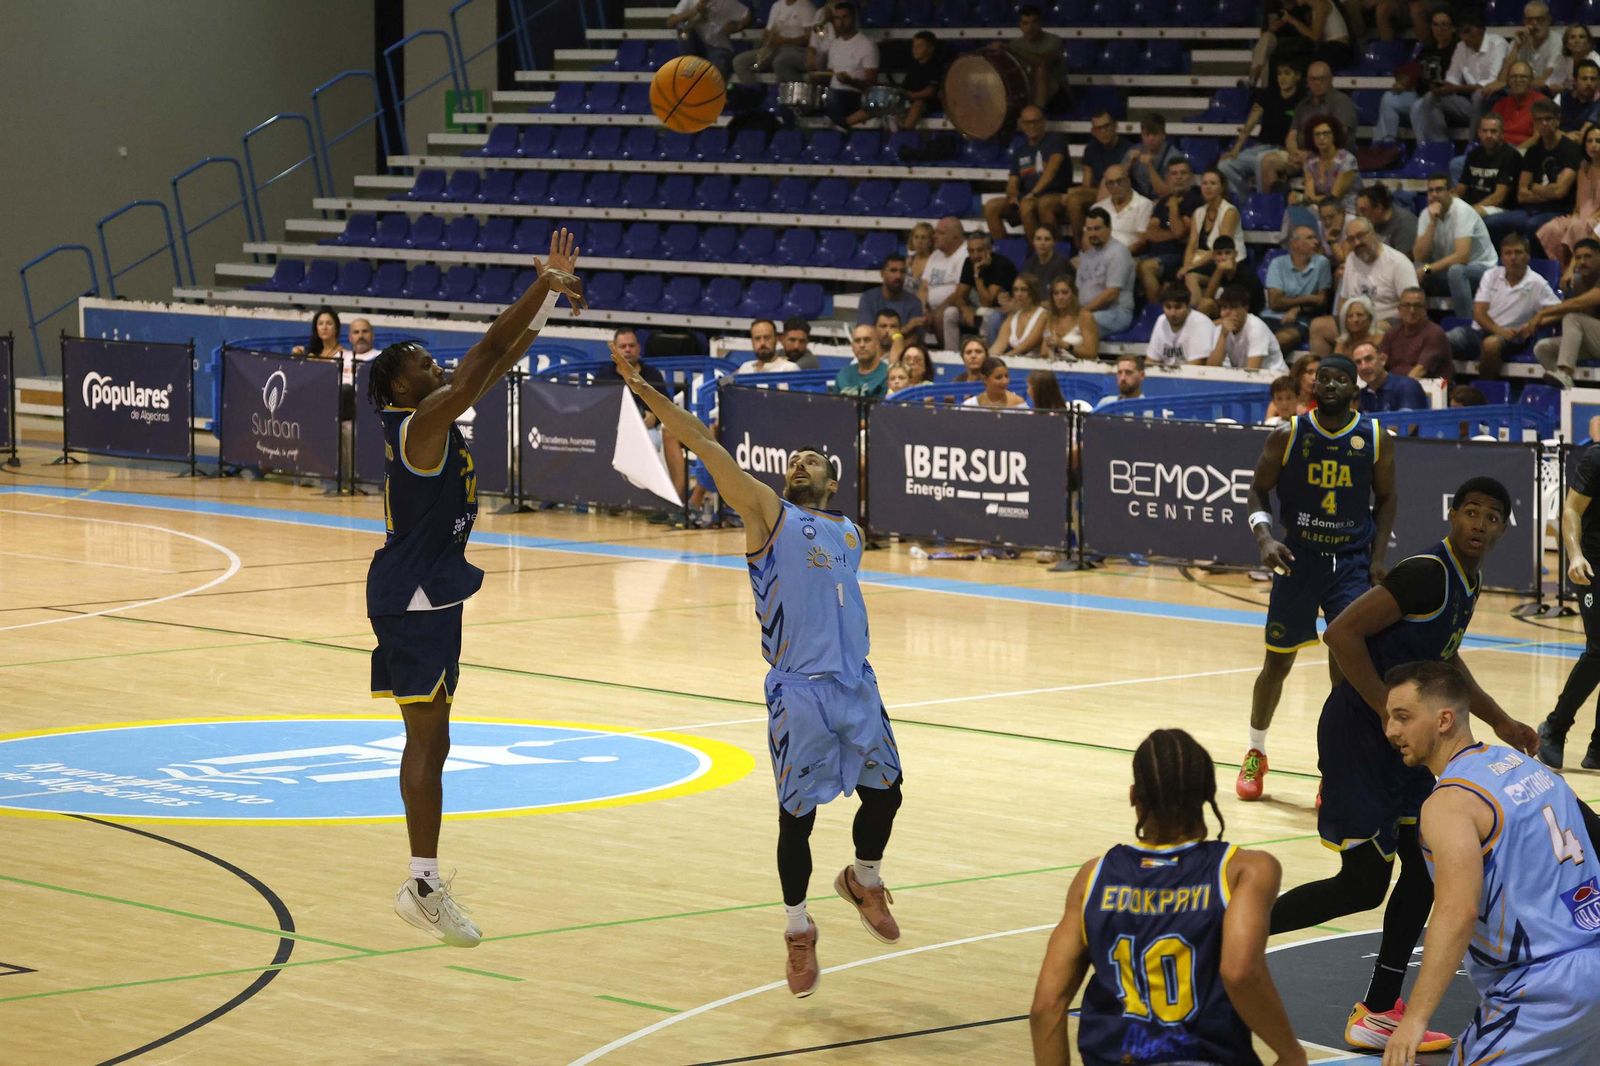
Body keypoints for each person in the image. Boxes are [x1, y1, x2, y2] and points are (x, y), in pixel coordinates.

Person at [608, 347, 904, 1002]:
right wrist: (648, 393)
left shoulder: (850, 533)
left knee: (887, 794)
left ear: (832, 480)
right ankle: (798, 928)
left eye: (811, 460)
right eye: (793, 459)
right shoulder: (768, 513)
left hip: (857, 684)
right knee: (795, 820)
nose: (799, 462)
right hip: (798, 690)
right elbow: (705, 442)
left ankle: (863, 876)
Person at [1268, 477, 1541, 1055]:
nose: (1479, 524)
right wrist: (1386, 713)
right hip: (1360, 739)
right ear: (1453, 515)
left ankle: (1378, 1009)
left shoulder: (1468, 581)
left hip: (1404, 743)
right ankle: (1228, 937)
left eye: (1492, 518)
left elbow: (1444, 662)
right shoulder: (1424, 572)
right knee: (1362, 886)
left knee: (1422, 870)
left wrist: (1500, 721)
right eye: (1471, 512)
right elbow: (1340, 634)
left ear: (1500, 529)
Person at [367, 229, 585, 949]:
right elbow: (485, 356)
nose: (439, 366)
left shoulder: (432, 413)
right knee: (426, 740)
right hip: (414, 594)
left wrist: (547, 308)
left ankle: (422, 879)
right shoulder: (419, 421)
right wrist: (545, 284)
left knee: (437, 737)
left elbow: (499, 360)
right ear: (402, 384)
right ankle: (422, 885)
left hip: (432, 590)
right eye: (425, 362)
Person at [1030, 729, 1307, 1066]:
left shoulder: (1093, 876)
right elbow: (1240, 972)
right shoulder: (1244, 871)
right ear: (1208, 793)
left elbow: (1046, 1007)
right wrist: (1291, 1054)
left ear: (1134, 796)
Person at [1378, 659, 1600, 1066]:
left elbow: (1457, 910)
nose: (1391, 730)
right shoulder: (1527, 767)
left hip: (1541, 991)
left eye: (1403, 717)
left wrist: (1415, 1019)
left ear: (1444, 720)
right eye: (1389, 718)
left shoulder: (1448, 804)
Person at [1237, 353, 1395, 802]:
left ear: (1354, 389)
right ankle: (1255, 751)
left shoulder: (1375, 437)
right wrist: (1264, 538)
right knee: (1277, 664)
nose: (1328, 385)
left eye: (1338, 380)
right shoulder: (1289, 433)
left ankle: (1334, 767)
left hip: (1349, 564)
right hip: (1297, 558)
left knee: (1344, 671)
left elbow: (1386, 500)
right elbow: (1256, 489)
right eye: (1321, 378)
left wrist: (1378, 557)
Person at [1540, 434, 1600, 762]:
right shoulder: (1596, 459)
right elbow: (1571, 511)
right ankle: (1554, 727)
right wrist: (1574, 554)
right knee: (1599, 649)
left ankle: (1598, 749)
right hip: (1591, 563)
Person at [1446, 232, 1560, 378]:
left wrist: (1535, 322)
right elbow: (1479, 313)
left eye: (1518, 252)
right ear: (1502, 258)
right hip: (1479, 332)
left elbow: (1559, 311)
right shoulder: (1491, 275)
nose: (1513, 257)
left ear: (1528, 256)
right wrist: (1498, 330)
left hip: (1513, 337)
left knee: (1491, 345)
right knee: (1443, 340)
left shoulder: (1537, 283)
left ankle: (1484, 388)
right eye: (1508, 253)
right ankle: (1445, 386)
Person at [1310, 218, 1419, 357]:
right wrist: (1345, 324)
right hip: (1355, 319)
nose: (1356, 243)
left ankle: (1359, 374)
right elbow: (1344, 301)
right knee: (1318, 326)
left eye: (1360, 236)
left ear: (1373, 233)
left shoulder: (1398, 263)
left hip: (1387, 322)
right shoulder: (1351, 260)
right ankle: (1324, 375)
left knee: (1367, 330)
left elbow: (1411, 306)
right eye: (1351, 239)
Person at [1412, 11, 1509, 144]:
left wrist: (1455, 88)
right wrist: (1443, 88)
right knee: (1431, 97)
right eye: (1462, 32)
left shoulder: (1498, 43)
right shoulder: (1461, 46)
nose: (1465, 36)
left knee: (1479, 95)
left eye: (1468, 31)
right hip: (1469, 103)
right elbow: (1452, 77)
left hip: (1494, 101)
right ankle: (1440, 146)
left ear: (1481, 29)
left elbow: (1492, 82)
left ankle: (1473, 145)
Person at [1415, 172, 1498, 321]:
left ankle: (1465, 324)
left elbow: (1462, 256)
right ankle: (1419, 323)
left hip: (1483, 269)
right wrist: (1432, 223)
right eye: (1430, 191)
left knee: (1456, 271)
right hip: (1446, 269)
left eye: (1439, 190)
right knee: (1413, 269)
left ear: (1451, 192)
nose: (1434, 195)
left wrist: (1428, 269)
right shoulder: (1426, 215)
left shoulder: (1462, 211)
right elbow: (1419, 255)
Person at [984, 106, 1071, 242]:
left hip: (1054, 195)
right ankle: (1004, 252)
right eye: (1027, 122)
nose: (1032, 126)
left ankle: (1038, 253)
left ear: (1043, 122)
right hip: (1028, 197)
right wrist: (1012, 195)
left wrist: (1033, 193)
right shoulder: (1020, 151)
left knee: (1027, 205)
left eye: (1036, 121)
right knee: (991, 206)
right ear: (1021, 124)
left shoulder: (1055, 140)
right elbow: (1013, 181)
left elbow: (1051, 170)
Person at [1222, 60, 1306, 197]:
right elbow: (1250, 122)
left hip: (1284, 151)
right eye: (1279, 74)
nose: (1282, 78)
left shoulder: (1303, 100)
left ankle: (1263, 206)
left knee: (1263, 160)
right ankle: (1245, 203)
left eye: (1287, 73)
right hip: (1262, 147)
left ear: (1297, 76)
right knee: (1225, 165)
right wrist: (1235, 149)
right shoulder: (1268, 94)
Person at [1374, 6, 1457, 142]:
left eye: (1444, 24)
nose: (1439, 29)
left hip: (1442, 98)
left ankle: (1425, 151)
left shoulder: (1457, 49)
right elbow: (1413, 70)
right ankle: (1385, 144)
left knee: (1419, 107)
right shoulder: (1427, 50)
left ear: (1452, 28)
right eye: (1435, 24)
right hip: (1420, 94)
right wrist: (1403, 82)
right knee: (1389, 98)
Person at [1532, 237, 1600, 387]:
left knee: (1573, 318)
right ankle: (1569, 392)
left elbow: (1577, 304)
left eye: (1588, 256)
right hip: (1595, 341)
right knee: (1543, 348)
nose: (1582, 261)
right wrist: (1535, 323)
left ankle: (1564, 374)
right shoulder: (1580, 281)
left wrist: (1542, 314)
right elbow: (1571, 309)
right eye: (1578, 257)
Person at [1136, 157, 1202, 303]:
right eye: (1174, 173)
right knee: (1127, 264)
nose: (1178, 177)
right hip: (1154, 253)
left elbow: (1180, 231)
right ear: (1168, 178)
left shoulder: (1195, 200)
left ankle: (1156, 311)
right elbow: (1150, 233)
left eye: (1183, 173)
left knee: (1147, 267)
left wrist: (1173, 208)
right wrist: (1174, 234)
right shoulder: (1163, 201)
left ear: (1191, 177)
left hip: (1178, 256)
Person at [1457, 113, 1527, 246]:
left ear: (1502, 133)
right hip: (1476, 206)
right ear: (1479, 133)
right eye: (1485, 131)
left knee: (1468, 218)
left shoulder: (1510, 156)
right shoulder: (1474, 155)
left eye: (1493, 131)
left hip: (1501, 207)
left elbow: (1498, 197)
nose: (1488, 135)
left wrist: (1471, 211)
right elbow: (1460, 188)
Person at [807, 1, 877, 129]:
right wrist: (818, 77)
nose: (841, 22)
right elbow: (830, 73)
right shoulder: (835, 44)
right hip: (835, 94)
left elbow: (871, 84)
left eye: (845, 17)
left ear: (853, 18)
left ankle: (835, 124)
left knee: (833, 96)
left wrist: (850, 81)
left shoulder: (866, 44)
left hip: (854, 95)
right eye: (837, 18)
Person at [1170, 166, 1234, 305]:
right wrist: (1186, 265)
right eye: (1204, 183)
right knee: (1178, 278)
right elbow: (1192, 244)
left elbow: (1221, 248)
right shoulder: (1198, 212)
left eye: (1213, 183)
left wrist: (1191, 268)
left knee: (1191, 277)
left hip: (1222, 261)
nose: (1208, 187)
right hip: (1201, 261)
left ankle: (1196, 318)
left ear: (1221, 188)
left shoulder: (1229, 212)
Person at [1538, 125, 1600, 267]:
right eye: (1589, 141)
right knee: (1552, 228)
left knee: (1578, 227)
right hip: (1581, 215)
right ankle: (1558, 269)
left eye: (1598, 141)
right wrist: (1576, 215)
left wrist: (1588, 219)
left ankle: (1576, 270)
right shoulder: (1583, 167)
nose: (1593, 145)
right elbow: (1579, 202)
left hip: (1597, 219)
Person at [1265, 224, 1334, 351]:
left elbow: (1321, 301)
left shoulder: (1322, 263)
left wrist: (1298, 308)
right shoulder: (1278, 263)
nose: (1316, 241)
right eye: (1310, 238)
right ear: (1295, 244)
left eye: (1315, 237)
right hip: (1270, 317)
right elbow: (1275, 302)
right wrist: (1308, 298)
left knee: (1283, 339)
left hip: (1300, 321)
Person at [1520, 98, 1585, 233]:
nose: (1544, 123)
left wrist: (1533, 187)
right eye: (1539, 120)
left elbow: (1560, 192)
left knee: (1532, 224)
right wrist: (1548, 193)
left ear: (1557, 120)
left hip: (1560, 210)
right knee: (1494, 221)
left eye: (1548, 118)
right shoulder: (1533, 151)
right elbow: (1521, 194)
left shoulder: (1571, 149)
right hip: (1533, 209)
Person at [1065, 111, 1129, 239]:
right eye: (1098, 128)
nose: (1103, 132)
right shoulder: (1091, 148)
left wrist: (1075, 192)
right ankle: (1080, 247)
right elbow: (1086, 184)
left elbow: (1121, 186)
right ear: (1093, 131)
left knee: (1073, 199)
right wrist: (1078, 191)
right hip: (1094, 194)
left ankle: (1082, 247)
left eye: (1106, 126)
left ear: (1115, 126)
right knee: (1049, 202)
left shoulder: (1127, 149)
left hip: (1117, 194)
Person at [1077, 208, 1137, 336]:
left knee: (1075, 328)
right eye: (1089, 229)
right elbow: (1078, 288)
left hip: (1115, 313)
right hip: (1089, 313)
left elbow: (1111, 294)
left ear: (1109, 228)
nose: (1092, 233)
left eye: (1097, 229)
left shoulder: (1118, 252)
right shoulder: (1088, 254)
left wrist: (1082, 312)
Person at [917, 215, 972, 351]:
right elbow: (924, 287)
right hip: (932, 309)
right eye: (936, 232)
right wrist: (923, 308)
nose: (935, 236)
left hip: (959, 306)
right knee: (913, 312)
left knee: (945, 314)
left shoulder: (965, 254)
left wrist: (936, 311)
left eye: (940, 233)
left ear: (955, 237)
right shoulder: (936, 255)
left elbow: (959, 292)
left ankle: (950, 356)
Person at [1486, 0, 1561, 97]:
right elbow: (1502, 78)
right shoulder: (1521, 39)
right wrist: (1516, 47)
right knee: (1486, 94)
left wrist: (1508, 84)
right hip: (1520, 89)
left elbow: (1544, 81)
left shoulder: (1557, 42)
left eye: (1539, 19)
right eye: (1530, 20)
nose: (1534, 23)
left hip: (1546, 93)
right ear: (1524, 21)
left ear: (1548, 20)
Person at [731, 0, 815, 86]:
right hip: (774, 48)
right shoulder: (777, 6)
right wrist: (768, 39)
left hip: (796, 49)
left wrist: (784, 40)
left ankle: (798, 93)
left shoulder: (806, 6)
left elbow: (811, 38)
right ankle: (754, 91)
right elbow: (768, 31)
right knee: (739, 62)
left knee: (780, 62)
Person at [666, 0, 751, 81]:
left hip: (718, 47)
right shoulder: (690, 1)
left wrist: (737, 27)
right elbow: (670, 22)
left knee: (716, 73)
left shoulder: (726, 2)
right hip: (695, 46)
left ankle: (710, 93)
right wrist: (694, 11)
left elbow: (747, 15)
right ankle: (689, 63)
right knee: (682, 26)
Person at [1380, 287, 1453, 380]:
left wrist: (1397, 390)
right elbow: (1379, 365)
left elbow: (1420, 371)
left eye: (1417, 306)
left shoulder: (1434, 333)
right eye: (1407, 305)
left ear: (1425, 309)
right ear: (1399, 309)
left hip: (1427, 389)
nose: (1412, 311)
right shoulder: (1391, 334)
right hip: (1397, 386)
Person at [1209, 285, 1287, 371]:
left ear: (1245, 308)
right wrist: (1223, 336)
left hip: (1274, 377)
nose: (1227, 313)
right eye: (1224, 308)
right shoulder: (1223, 329)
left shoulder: (1256, 327)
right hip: (1245, 376)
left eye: (1233, 307)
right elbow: (1212, 368)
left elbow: (1252, 370)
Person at [1005, 4, 1068, 111]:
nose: (1030, 28)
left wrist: (1013, 51)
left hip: (1056, 95)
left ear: (1040, 23)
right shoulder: (1015, 44)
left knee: (1040, 69)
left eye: (1034, 22)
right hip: (1027, 94)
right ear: (1020, 25)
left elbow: (1042, 61)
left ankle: (1037, 112)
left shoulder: (1054, 40)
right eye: (1025, 23)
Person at [1191, 236, 1263, 319]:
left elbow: (1241, 307)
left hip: (1247, 314)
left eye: (1227, 253)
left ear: (1235, 254)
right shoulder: (1216, 269)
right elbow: (1207, 298)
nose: (1223, 258)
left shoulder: (1246, 276)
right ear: (1214, 257)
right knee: (1206, 304)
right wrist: (1219, 271)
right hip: (1227, 310)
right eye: (1219, 254)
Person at [965, 232, 1019, 344]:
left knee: (983, 312)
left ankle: (986, 351)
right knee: (950, 313)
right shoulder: (968, 261)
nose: (975, 255)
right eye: (971, 251)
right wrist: (964, 309)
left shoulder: (1001, 265)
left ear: (989, 250)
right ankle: (950, 354)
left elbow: (987, 301)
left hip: (1005, 309)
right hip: (980, 306)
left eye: (979, 250)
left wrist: (977, 275)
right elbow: (959, 295)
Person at [1147, 283, 1218, 367]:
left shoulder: (1200, 323)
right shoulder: (1161, 321)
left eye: (1178, 307)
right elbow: (1151, 362)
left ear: (1188, 306)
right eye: (1168, 307)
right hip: (1172, 375)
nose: (1172, 313)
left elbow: (1196, 365)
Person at [1298, 116, 1360, 213]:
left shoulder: (1347, 160)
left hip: (1347, 209)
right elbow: (1309, 196)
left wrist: (1312, 199)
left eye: (1326, 133)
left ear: (1334, 135)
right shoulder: (1310, 160)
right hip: (1320, 209)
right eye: (1317, 134)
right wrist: (1310, 199)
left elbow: (1334, 198)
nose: (1321, 138)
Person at [1090, 165, 1152, 255]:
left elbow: (1141, 242)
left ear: (1128, 181)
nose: (1115, 186)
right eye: (1111, 183)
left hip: (1127, 257)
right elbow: (1087, 238)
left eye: (1119, 181)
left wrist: (1117, 256)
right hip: (1098, 255)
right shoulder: (1097, 208)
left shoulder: (1144, 205)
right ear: (1106, 186)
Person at [856, 254, 925, 332]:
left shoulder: (914, 302)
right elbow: (867, 332)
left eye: (902, 271)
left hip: (906, 344)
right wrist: (906, 329)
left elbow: (914, 339)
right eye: (893, 270)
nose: (898, 276)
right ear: (882, 273)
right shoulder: (868, 299)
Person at [1353, 341, 1428, 412]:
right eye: (1358, 362)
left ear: (1382, 360)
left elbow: (1408, 423)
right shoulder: (1361, 396)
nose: (1364, 367)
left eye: (1369, 359)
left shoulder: (1407, 386)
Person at [1122, 114, 1182, 201]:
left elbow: (1166, 194)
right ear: (1141, 135)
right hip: (1136, 201)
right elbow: (1115, 178)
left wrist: (1149, 167)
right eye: (1147, 134)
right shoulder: (1134, 150)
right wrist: (1128, 164)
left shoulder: (1174, 157)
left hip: (1164, 202)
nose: (1151, 139)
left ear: (1163, 135)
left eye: (1155, 134)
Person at [894, 30, 945, 130]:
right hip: (912, 101)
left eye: (920, 46)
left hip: (932, 103)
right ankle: (893, 131)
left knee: (919, 103)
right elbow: (905, 87)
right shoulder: (913, 66)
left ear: (930, 48)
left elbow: (930, 92)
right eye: (914, 46)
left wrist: (912, 95)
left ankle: (905, 131)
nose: (915, 49)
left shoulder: (936, 66)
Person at [1357, 183, 1418, 265]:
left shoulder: (1406, 224)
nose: (1360, 215)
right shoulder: (1373, 221)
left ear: (1379, 208)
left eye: (1363, 210)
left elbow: (1402, 263)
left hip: (1425, 269)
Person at [1042, 275, 1098, 362]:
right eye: (1056, 293)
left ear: (1074, 294)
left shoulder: (1085, 317)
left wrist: (1064, 345)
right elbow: (1044, 353)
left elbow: (1091, 353)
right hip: (1057, 367)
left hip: (1084, 368)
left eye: (1064, 292)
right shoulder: (1050, 318)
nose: (1060, 297)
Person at [991, 273, 1047, 358]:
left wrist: (1002, 361)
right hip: (1015, 362)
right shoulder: (1012, 317)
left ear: (1033, 292)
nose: (1019, 294)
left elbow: (1024, 348)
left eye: (1023, 290)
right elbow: (998, 346)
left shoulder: (1043, 315)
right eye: (1016, 290)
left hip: (1036, 366)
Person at [1488, 61, 1543, 146]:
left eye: (1523, 77)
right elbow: (1491, 131)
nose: (1518, 80)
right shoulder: (1501, 104)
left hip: (1526, 152)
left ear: (1531, 81)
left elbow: (1538, 138)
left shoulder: (1542, 103)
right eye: (1514, 77)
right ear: (1508, 81)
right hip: (1500, 150)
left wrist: (1516, 154)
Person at [834, 323, 887, 398]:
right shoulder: (843, 375)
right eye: (857, 341)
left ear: (877, 344)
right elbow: (833, 407)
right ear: (852, 346)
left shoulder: (888, 375)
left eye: (867, 340)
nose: (862, 345)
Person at [1549, 22, 1600, 96]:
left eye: (1581, 37)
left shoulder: (1597, 61)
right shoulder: (1561, 59)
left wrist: (1565, 90)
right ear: (1566, 43)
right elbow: (1552, 85)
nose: (1577, 40)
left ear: (1588, 42)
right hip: (1565, 98)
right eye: (1572, 37)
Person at [1558, 58, 1600, 140]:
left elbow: (1583, 136)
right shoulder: (1561, 98)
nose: (1589, 83)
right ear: (1575, 81)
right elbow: (1547, 128)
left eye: (1593, 79)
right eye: (1584, 79)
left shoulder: (1598, 103)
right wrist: (1565, 136)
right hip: (1560, 144)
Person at [1021, 224, 1069, 292]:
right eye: (1038, 239)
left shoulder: (1060, 264)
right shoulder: (1029, 263)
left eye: (1047, 239)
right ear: (1033, 242)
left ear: (1054, 242)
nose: (1042, 243)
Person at [904, 221, 934, 286]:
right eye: (916, 237)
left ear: (930, 241)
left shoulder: (934, 262)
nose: (919, 241)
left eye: (923, 238)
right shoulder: (909, 261)